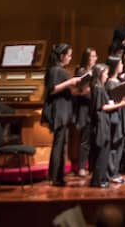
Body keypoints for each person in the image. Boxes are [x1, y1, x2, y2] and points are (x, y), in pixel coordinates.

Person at [43, 43, 82, 186]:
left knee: (62, 143)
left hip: (63, 109)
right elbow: (52, 89)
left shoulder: (60, 70)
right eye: (69, 55)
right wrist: (71, 81)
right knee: (59, 144)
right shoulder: (55, 70)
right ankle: (55, 177)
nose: (70, 58)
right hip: (59, 110)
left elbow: (66, 91)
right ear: (62, 56)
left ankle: (58, 176)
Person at [89, 64, 125, 188]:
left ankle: (102, 178)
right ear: (100, 74)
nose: (107, 76)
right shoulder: (98, 88)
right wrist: (121, 104)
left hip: (104, 122)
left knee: (105, 151)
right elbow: (102, 107)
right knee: (101, 152)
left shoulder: (99, 87)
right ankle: (98, 180)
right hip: (101, 122)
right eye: (105, 73)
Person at [74, 47, 97, 176]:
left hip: (93, 107)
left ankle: (92, 165)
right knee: (85, 139)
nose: (95, 59)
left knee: (94, 138)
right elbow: (80, 90)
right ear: (87, 58)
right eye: (92, 56)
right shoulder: (81, 71)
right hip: (84, 108)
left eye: (95, 56)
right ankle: (82, 167)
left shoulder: (94, 71)